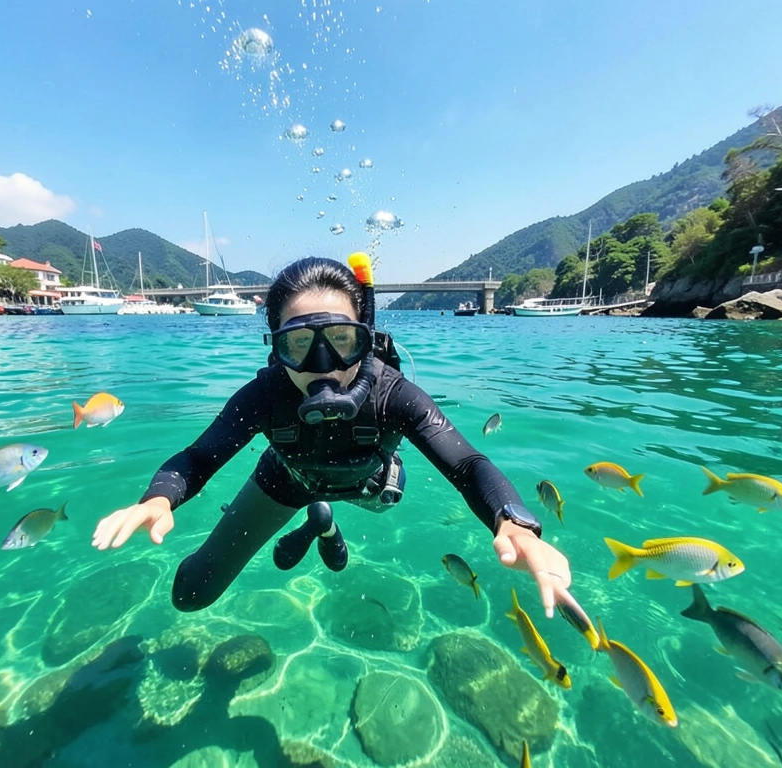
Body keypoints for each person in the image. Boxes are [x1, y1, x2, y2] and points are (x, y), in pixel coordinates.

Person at [92, 253, 590, 622]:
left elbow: (467, 464)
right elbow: (199, 455)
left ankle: (326, 525)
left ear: (364, 339)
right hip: (287, 479)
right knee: (190, 594)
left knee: (379, 494)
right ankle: (320, 524)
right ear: (276, 347)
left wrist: (515, 521)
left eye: (342, 341)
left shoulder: (394, 395)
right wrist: (159, 498)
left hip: (371, 485)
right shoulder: (264, 395)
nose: (323, 365)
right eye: (300, 344)